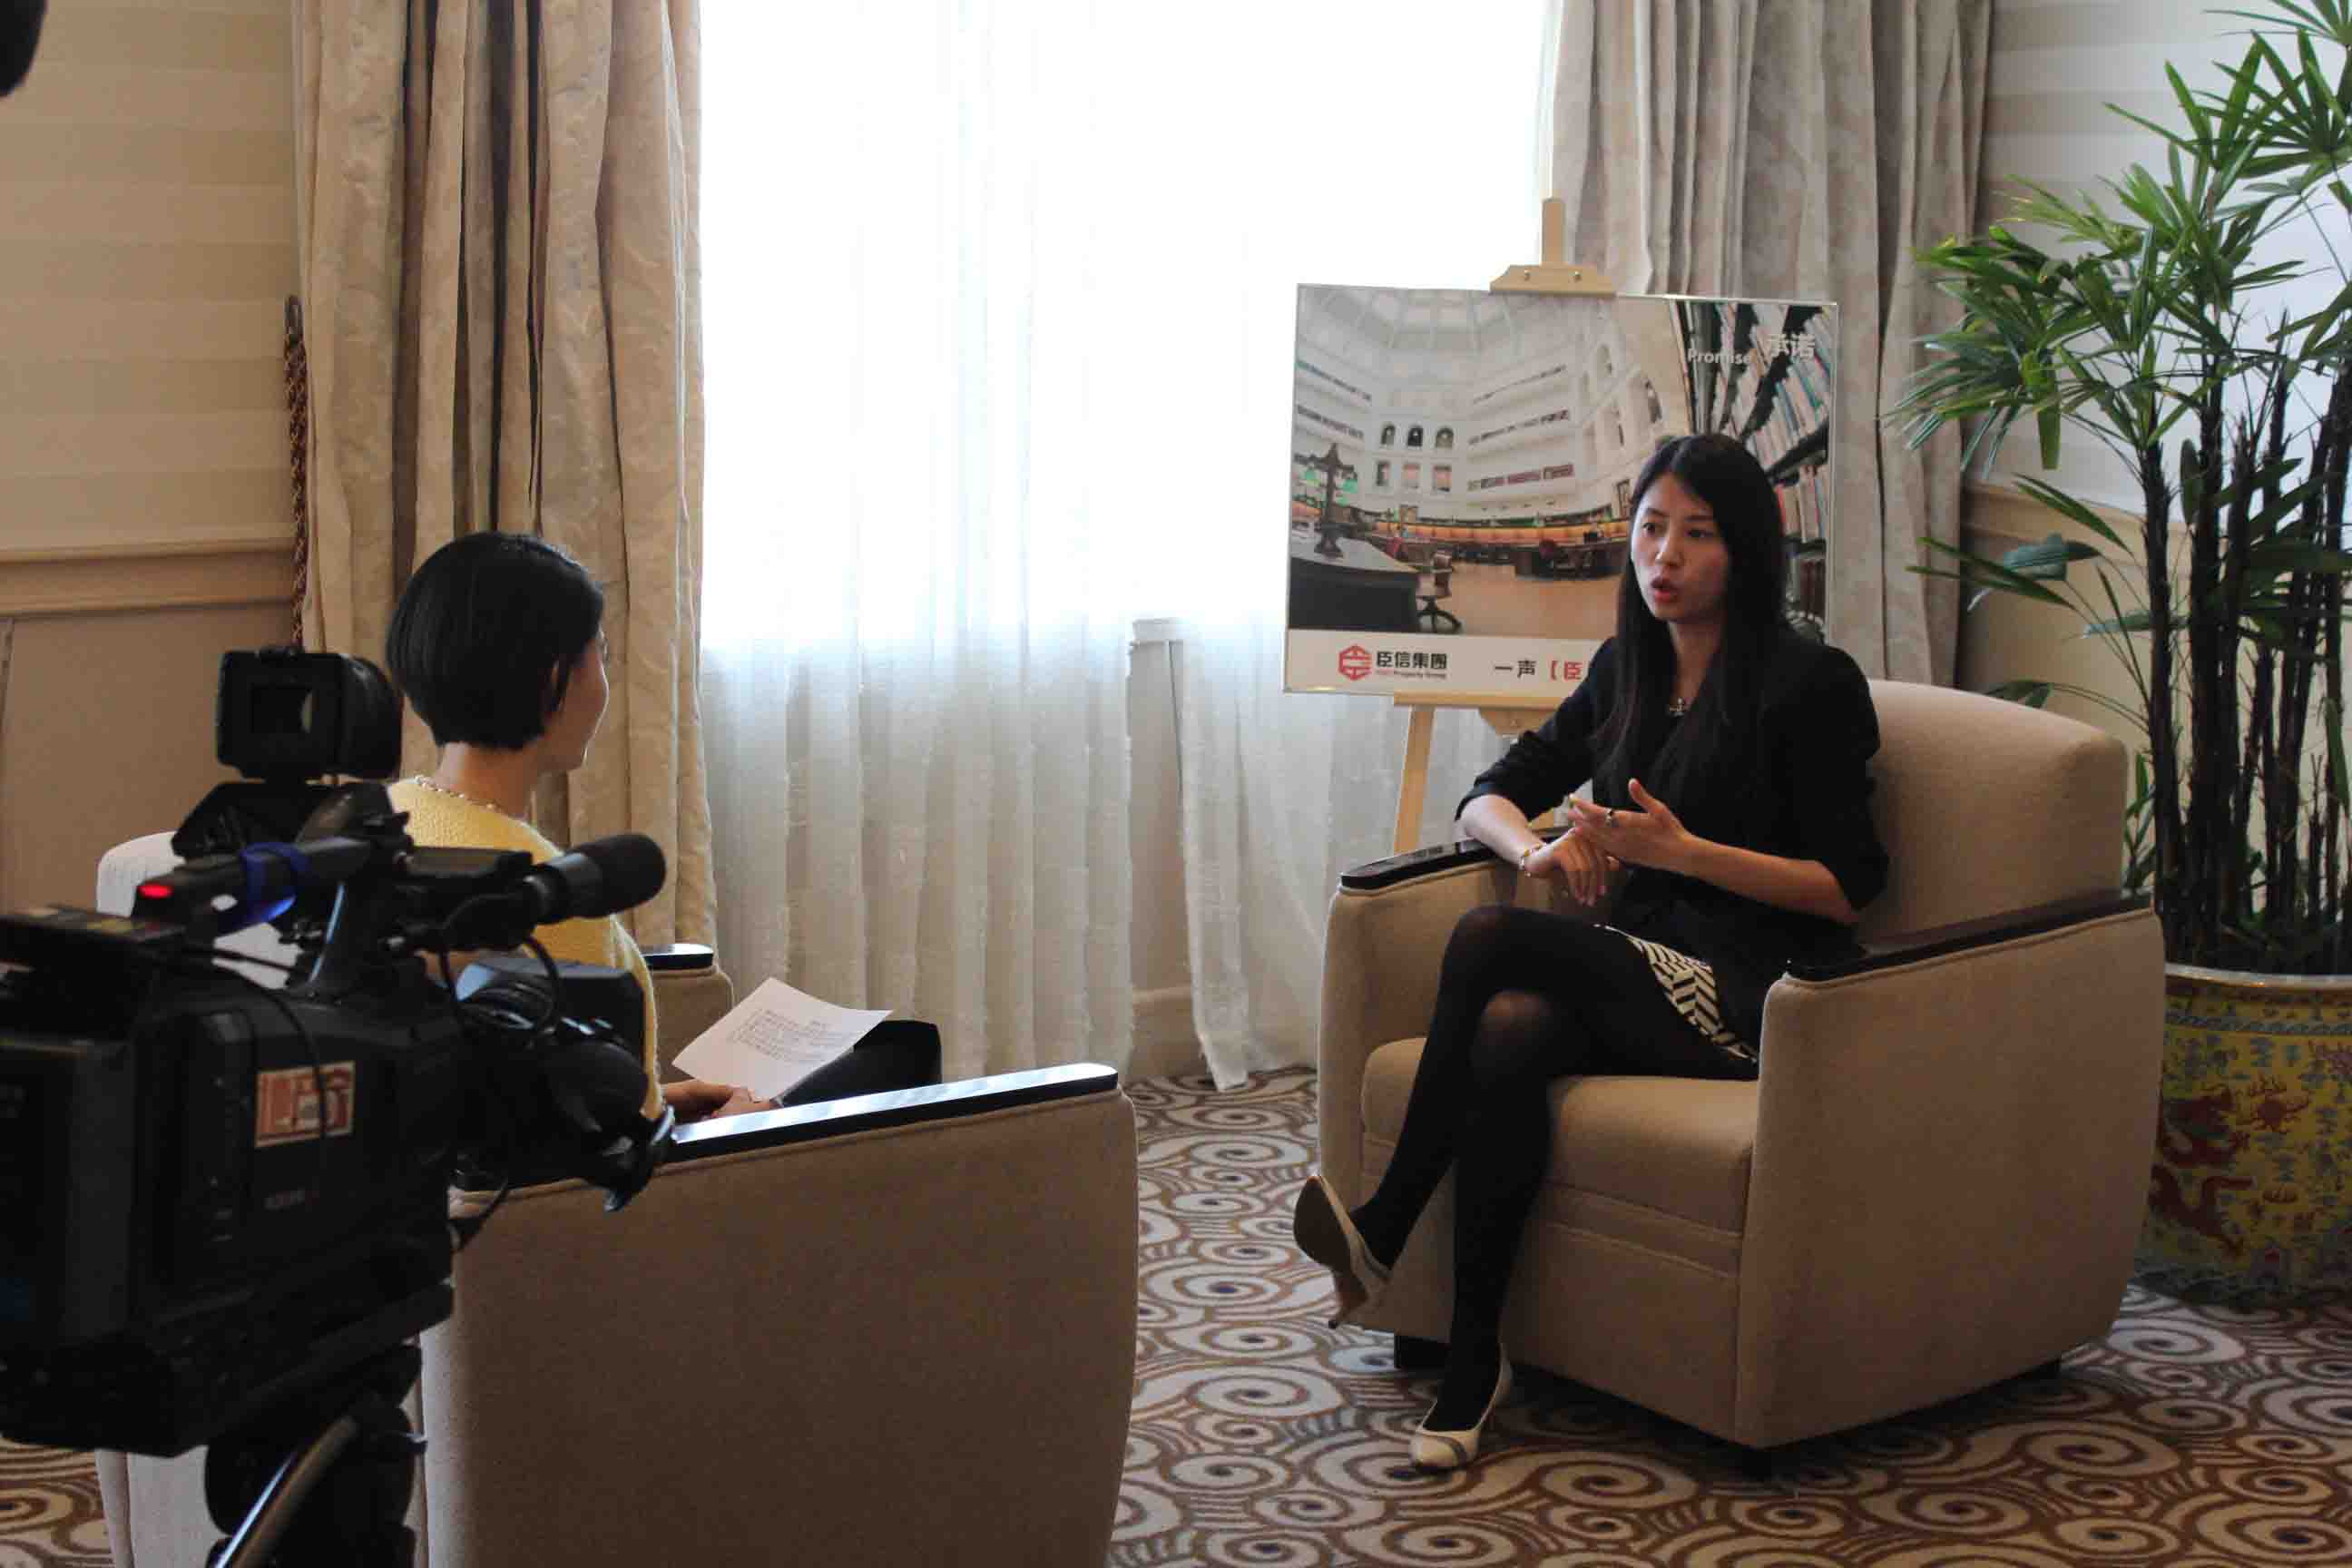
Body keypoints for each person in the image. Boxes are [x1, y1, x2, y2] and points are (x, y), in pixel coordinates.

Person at [1291, 433, 1890, 1470]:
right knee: (1510, 1033)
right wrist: (1537, 852)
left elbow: (1848, 886)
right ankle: (1473, 1362)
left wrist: (1684, 854)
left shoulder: (1810, 682)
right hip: (1639, 969)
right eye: (1651, 529)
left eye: (1697, 534)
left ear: (1747, 549)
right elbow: (1489, 794)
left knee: (1491, 939)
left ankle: (1385, 1224)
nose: (1666, 556)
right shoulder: (1627, 670)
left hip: (1753, 997)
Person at [384, 530, 938, 1125]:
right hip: (658, 1177)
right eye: (599, 655)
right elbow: (614, 1150)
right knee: (902, 1054)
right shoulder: (549, 903)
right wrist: (734, 1120)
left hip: (484, 1150)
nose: (603, 681)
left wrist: (665, 1098)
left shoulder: (384, 821)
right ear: (554, 680)